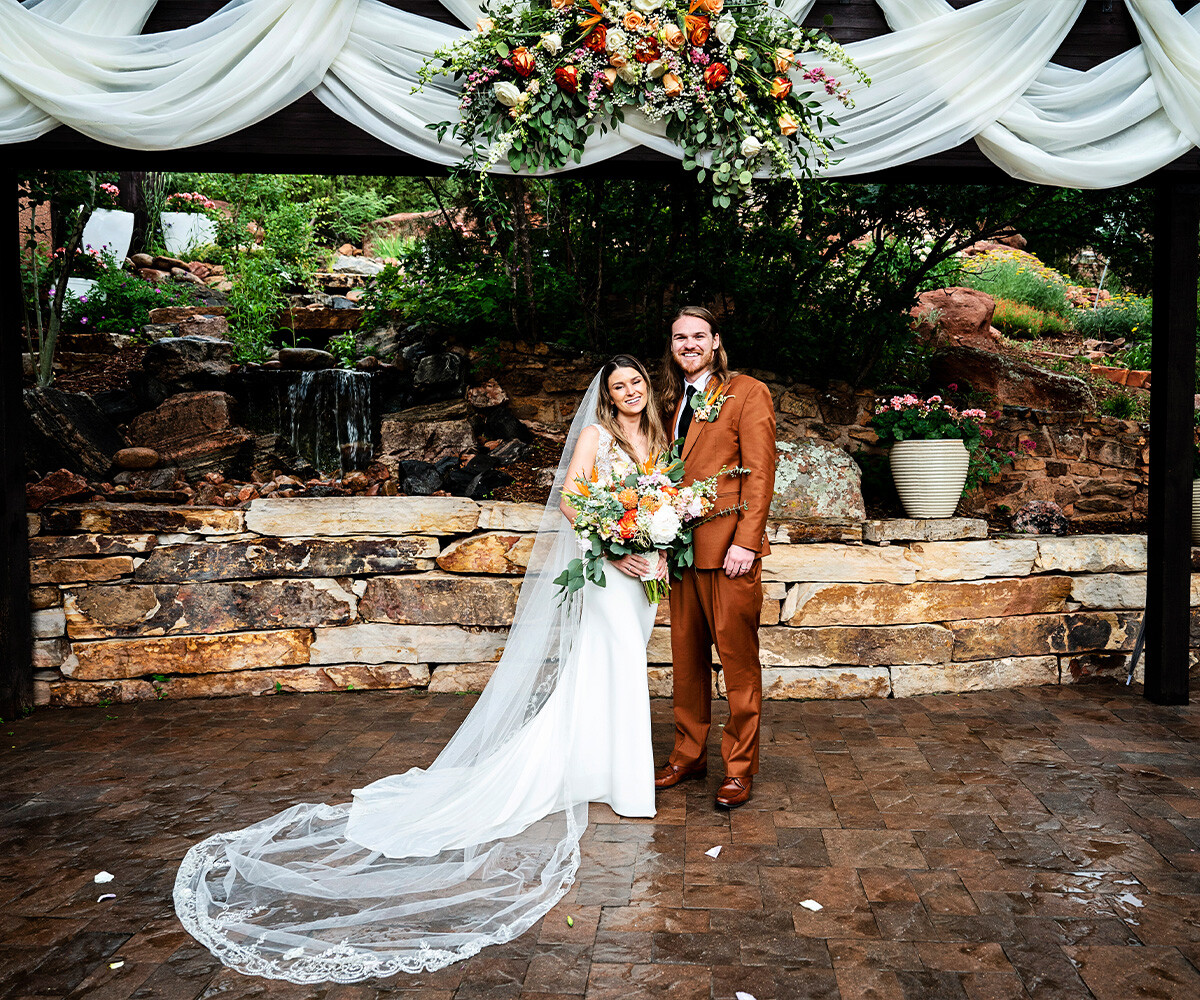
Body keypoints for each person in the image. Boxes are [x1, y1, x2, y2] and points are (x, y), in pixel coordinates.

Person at [174, 355, 671, 984]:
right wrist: (615, 547)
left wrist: (654, 545)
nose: (629, 392)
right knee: (613, 662)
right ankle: (626, 782)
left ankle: (599, 766)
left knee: (620, 666)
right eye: (618, 385)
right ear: (606, 395)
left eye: (636, 384)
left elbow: (661, 499)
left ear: (647, 389)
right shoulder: (598, 435)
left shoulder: (657, 436)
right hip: (609, 571)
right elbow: (573, 500)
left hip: (646, 572)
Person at [654, 306, 777, 809]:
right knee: (685, 661)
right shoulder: (666, 402)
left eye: (698, 335)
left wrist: (746, 542)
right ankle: (688, 754)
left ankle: (739, 768)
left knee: (737, 662)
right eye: (680, 337)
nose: (689, 344)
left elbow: (760, 471)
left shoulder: (746, 391)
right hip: (679, 548)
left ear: (715, 341)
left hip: (729, 550)